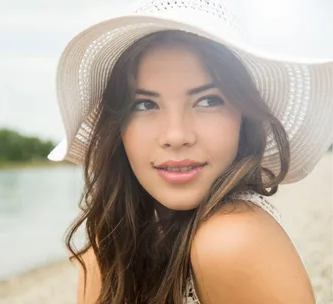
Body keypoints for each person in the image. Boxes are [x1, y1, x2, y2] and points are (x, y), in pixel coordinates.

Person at [48, 1, 333, 303]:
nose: (176, 136)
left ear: (244, 117)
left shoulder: (232, 241)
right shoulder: (105, 250)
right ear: (118, 128)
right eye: (145, 104)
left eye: (208, 100)